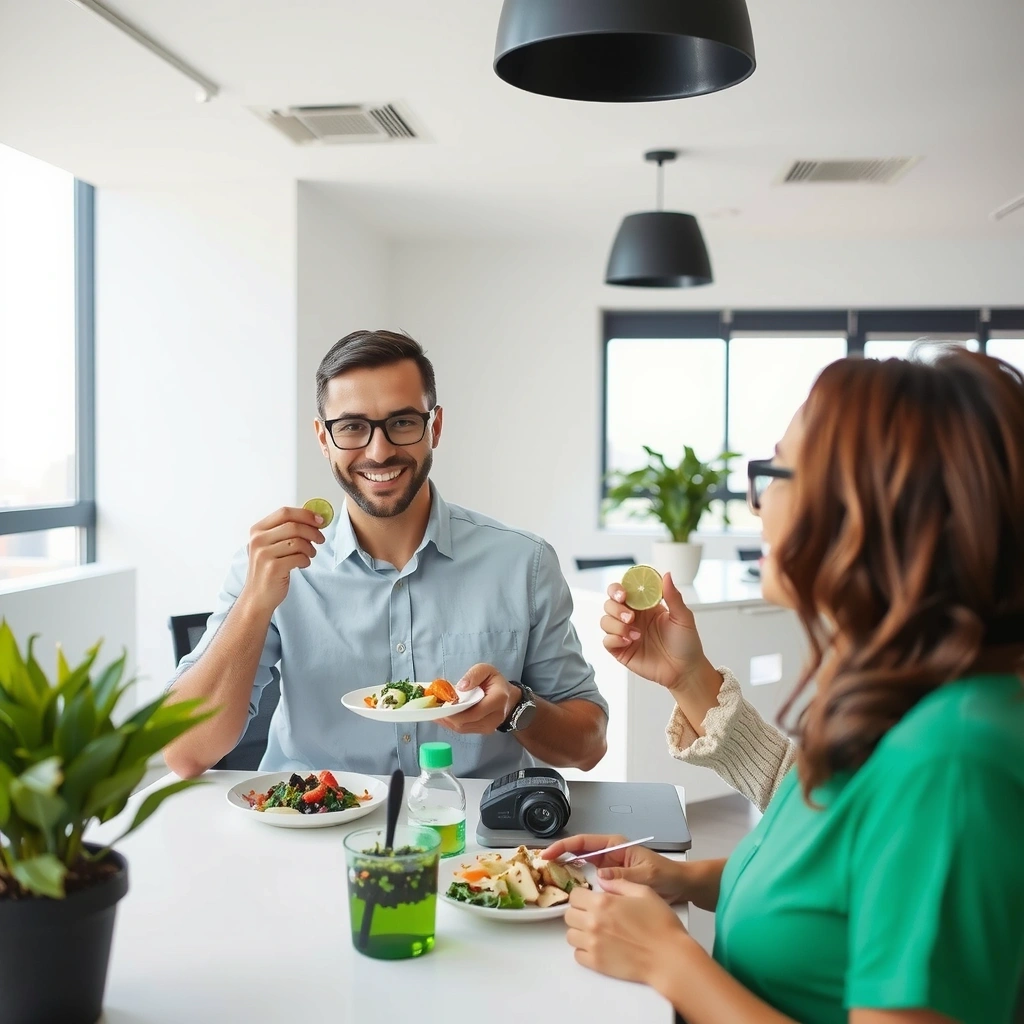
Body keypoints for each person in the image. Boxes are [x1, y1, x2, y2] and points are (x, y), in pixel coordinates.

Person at [544, 350, 1024, 1024]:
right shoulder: (916, 692)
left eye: (778, 473)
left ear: (875, 507)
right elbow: (831, 868)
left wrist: (672, 963)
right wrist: (682, 875)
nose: (759, 502)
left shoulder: (951, 766)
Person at [163, 330, 608, 780]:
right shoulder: (272, 566)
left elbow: (588, 746)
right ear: (323, 438)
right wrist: (254, 603)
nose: (379, 451)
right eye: (352, 427)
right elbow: (185, 754)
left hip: (475, 837)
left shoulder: (523, 564)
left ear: (434, 427)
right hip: (311, 828)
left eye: (402, 422)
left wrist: (516, 707)